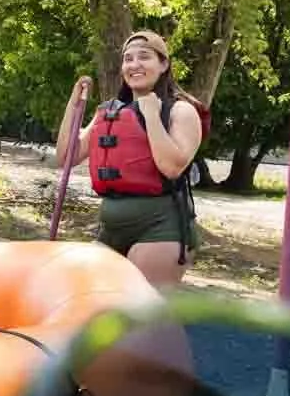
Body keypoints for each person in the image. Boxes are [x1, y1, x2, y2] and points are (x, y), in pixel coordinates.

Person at [55, 32, 203, 288]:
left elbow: (172, 166)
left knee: (143, 317)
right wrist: (74, 104)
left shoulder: (181, 111)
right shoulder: (112, 112)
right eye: (128, 59)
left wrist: (152, 116)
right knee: (97, 305)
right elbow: (67, 156)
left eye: (144, 57)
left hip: (160, 228)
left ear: (164, 64)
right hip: (111, 229)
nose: (134, 65)